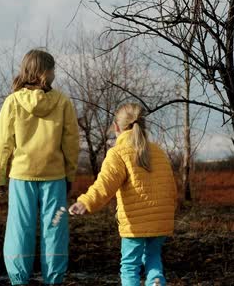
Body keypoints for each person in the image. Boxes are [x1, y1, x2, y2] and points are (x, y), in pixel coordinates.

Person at [0, 49, 80, 286]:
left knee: (20, 227)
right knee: (55, 227)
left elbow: (1, 143)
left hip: (21, 177)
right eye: (53, 69)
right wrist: (69, 176)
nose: (55, 73)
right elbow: (71, 143)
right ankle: (54, 279)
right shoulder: (62, 101)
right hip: (55, 178)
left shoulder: (13, 102)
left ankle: (19, 279)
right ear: (45, 72)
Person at [69, 103, 176, 286]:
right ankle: (156, 282)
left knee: (129, 266)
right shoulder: (158, 151)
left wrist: (86, 202)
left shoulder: (118, 153)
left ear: (116, 127)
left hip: (135, 223)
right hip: (161, 219)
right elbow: (171, 187)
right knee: (153, 260)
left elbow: (105, 184)